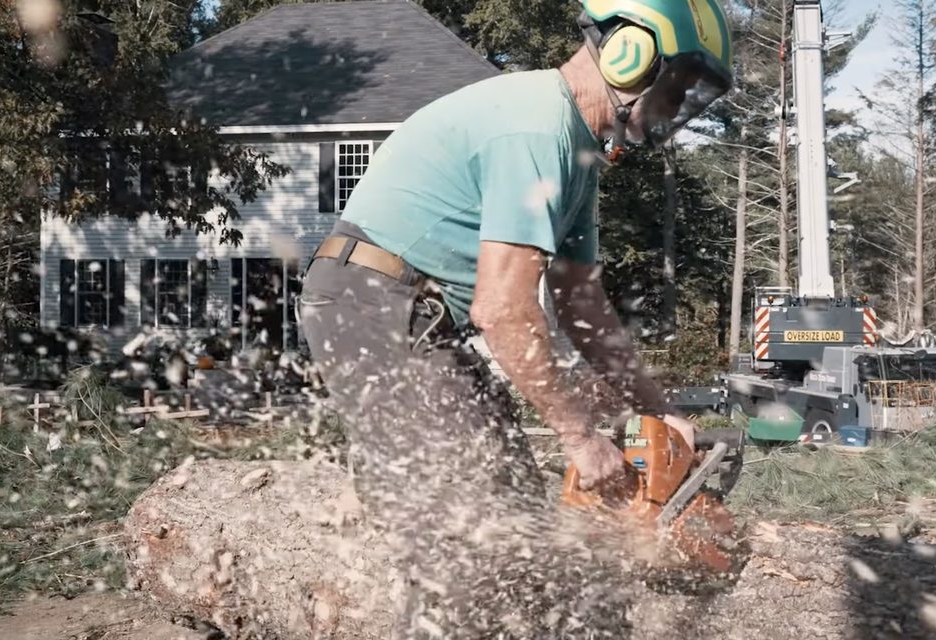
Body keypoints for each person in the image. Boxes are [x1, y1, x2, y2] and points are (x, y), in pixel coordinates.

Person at [297, 1, 734, 637]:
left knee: (513, 499)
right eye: (675, 90)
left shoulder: (577, 153)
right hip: (373, 301)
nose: (673, 113)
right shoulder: (536, 130)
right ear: (630, 56)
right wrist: (581, 437)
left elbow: (583, 306)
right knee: (468, 518)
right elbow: (501, 309)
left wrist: (656, 411)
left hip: (413, 315)